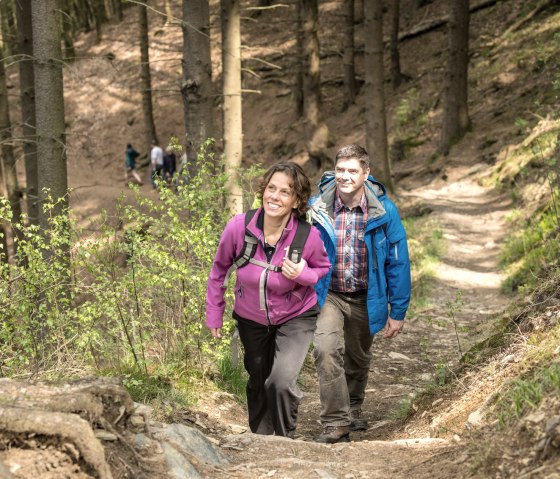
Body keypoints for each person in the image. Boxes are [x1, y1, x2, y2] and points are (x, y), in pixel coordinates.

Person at [206, 162, 331, 438]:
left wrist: (303, 273)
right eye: (271, 188)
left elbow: (322, 269)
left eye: (285, 192)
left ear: (296, 200)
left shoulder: (306, 236)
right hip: (251, 317)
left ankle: (286, 439)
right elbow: (219, 272)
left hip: (296, 315)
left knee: (280, 381)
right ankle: (262, 441)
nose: (275, 196)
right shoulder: (239, 227)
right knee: (258, 379)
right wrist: (214, 313)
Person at [309, 144, 411, 443]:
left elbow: (398, 260)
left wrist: (398, 310)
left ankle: (353, 407)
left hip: (368, 295)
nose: (345, 176)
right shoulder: (319, 207)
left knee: (358, 355)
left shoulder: (384, 210)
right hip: (330, 292)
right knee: (326, 349)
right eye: (340, 170)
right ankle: (335, 422)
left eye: (352, 170)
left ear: (366, 174)